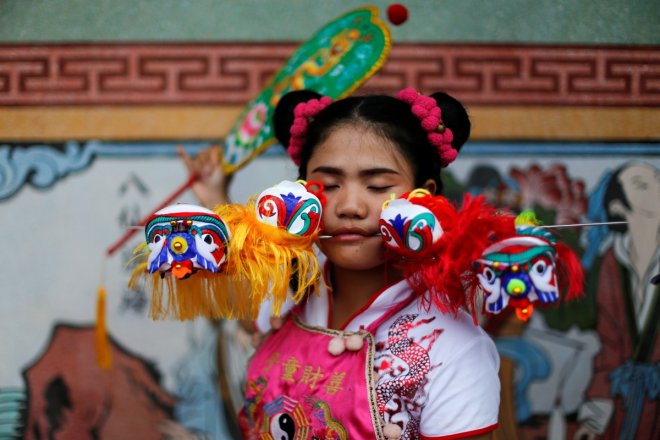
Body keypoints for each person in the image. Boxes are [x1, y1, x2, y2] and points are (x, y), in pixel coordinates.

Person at [191, 88, 500, 439]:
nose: (349, 206)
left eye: (378, 185)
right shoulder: (293, 292)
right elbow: (247, 311)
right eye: (329, 185)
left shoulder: (454, 346)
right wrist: (215, 200)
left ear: (424, 195)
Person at [575, 161, 659, 440]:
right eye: (642, 185)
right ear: (618, 208)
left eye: (657, 179)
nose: (657, 187)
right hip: (625, 404)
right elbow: (609, 351)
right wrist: (593, 421)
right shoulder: (611, 263)